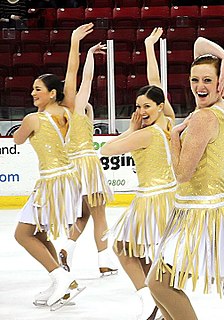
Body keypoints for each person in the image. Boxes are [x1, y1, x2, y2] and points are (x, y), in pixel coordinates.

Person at [147, 37, 224, 320]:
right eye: (195, 79)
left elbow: (182, 174)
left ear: (221, 83)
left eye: (208, 80)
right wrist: (222, 65)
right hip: (202, 208)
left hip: (200, 212)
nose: (200, 86)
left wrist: (172, 137)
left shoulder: (205, 117)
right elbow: (198, 43)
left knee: (158, 282)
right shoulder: (219, 108)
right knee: (162, 282)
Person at [12, 23, 93, 308]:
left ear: (51, 94)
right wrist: (73, 43)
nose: (33, 93)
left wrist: (17, 132)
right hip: (69, 180)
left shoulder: (33, 119)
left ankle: (60, 277)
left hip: (51, 183)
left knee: (22, 233)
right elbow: (71, 74)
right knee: (40, 233)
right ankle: (61, 281)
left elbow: (19, 141)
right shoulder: (68, 111)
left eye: (37, 89)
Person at [101, 27, 176, 320]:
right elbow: (155, 82)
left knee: (122, 247)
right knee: (146, 254)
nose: (141, 110)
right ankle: (154, 297)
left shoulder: (146, 134)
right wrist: (148, 47)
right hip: (165, 196)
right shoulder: (168, 120)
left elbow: (106, 151)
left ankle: (147, 298)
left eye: (146, 106)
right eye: (137, 107)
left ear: (159, 106)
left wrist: (131, 128)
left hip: (153, 200)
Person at [59, 42, 118, 277]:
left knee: (82, 215)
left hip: (71, 166)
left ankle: (66, 248)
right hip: (86, 164)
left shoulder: (55, 116)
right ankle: (104, 260)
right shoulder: (76, 107)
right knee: (99, 215)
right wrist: (91, 55)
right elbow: (87, 78)